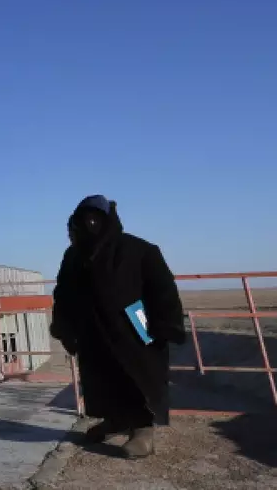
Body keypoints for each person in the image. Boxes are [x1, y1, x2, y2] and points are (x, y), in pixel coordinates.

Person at [50, 195, 186, 458]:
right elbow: (63, 294)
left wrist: (165, 326)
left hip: (134, 335)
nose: (88, 225)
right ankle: (115, 420)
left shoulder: (140, 250)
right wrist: (65, 329)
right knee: (101, 379)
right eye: (82, 221)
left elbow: (163, 291)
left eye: (94, 219)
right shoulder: (73, 256)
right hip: (92, 333)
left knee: (137, 378)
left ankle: (143, 430)